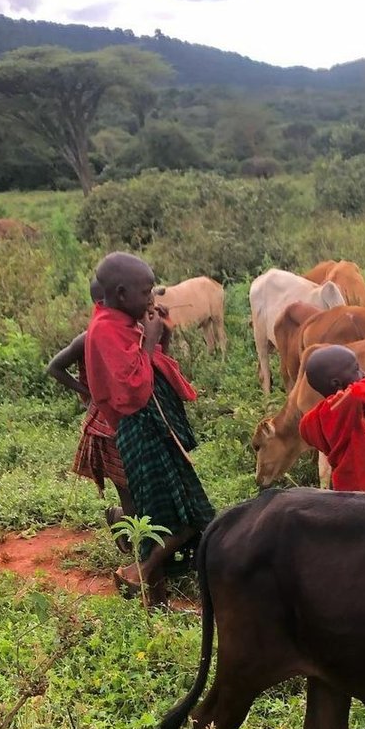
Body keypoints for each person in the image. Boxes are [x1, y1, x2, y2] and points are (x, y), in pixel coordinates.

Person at [84, 251, 215, 604]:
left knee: (175, 513)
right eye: (147, 292)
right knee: (181, 516)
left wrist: (158, 336)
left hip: (155, 431)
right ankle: (139, 573)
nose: (152, 298)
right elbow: (133, 390)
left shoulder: (124, 323)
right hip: (141, 433)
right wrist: (151, 339)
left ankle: (153, 595)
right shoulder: (105, 331)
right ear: (122, 293)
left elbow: (154, 366)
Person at [47, 279, 134, 533]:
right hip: (105, 426)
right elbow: (54, 367)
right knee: (130, 492)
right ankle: (131, 537)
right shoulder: (88, 338)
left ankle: (124, 523)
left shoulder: (129, 331)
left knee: (143, 489)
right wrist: (89, 393)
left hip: (128, 418)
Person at [298, 345, 365, 493]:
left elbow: (305, 428)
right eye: (356, 369)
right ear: (336, 383)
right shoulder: (341, 408)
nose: (362, 373)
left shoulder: (318, 417)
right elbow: (357, 395)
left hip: (350, 486)